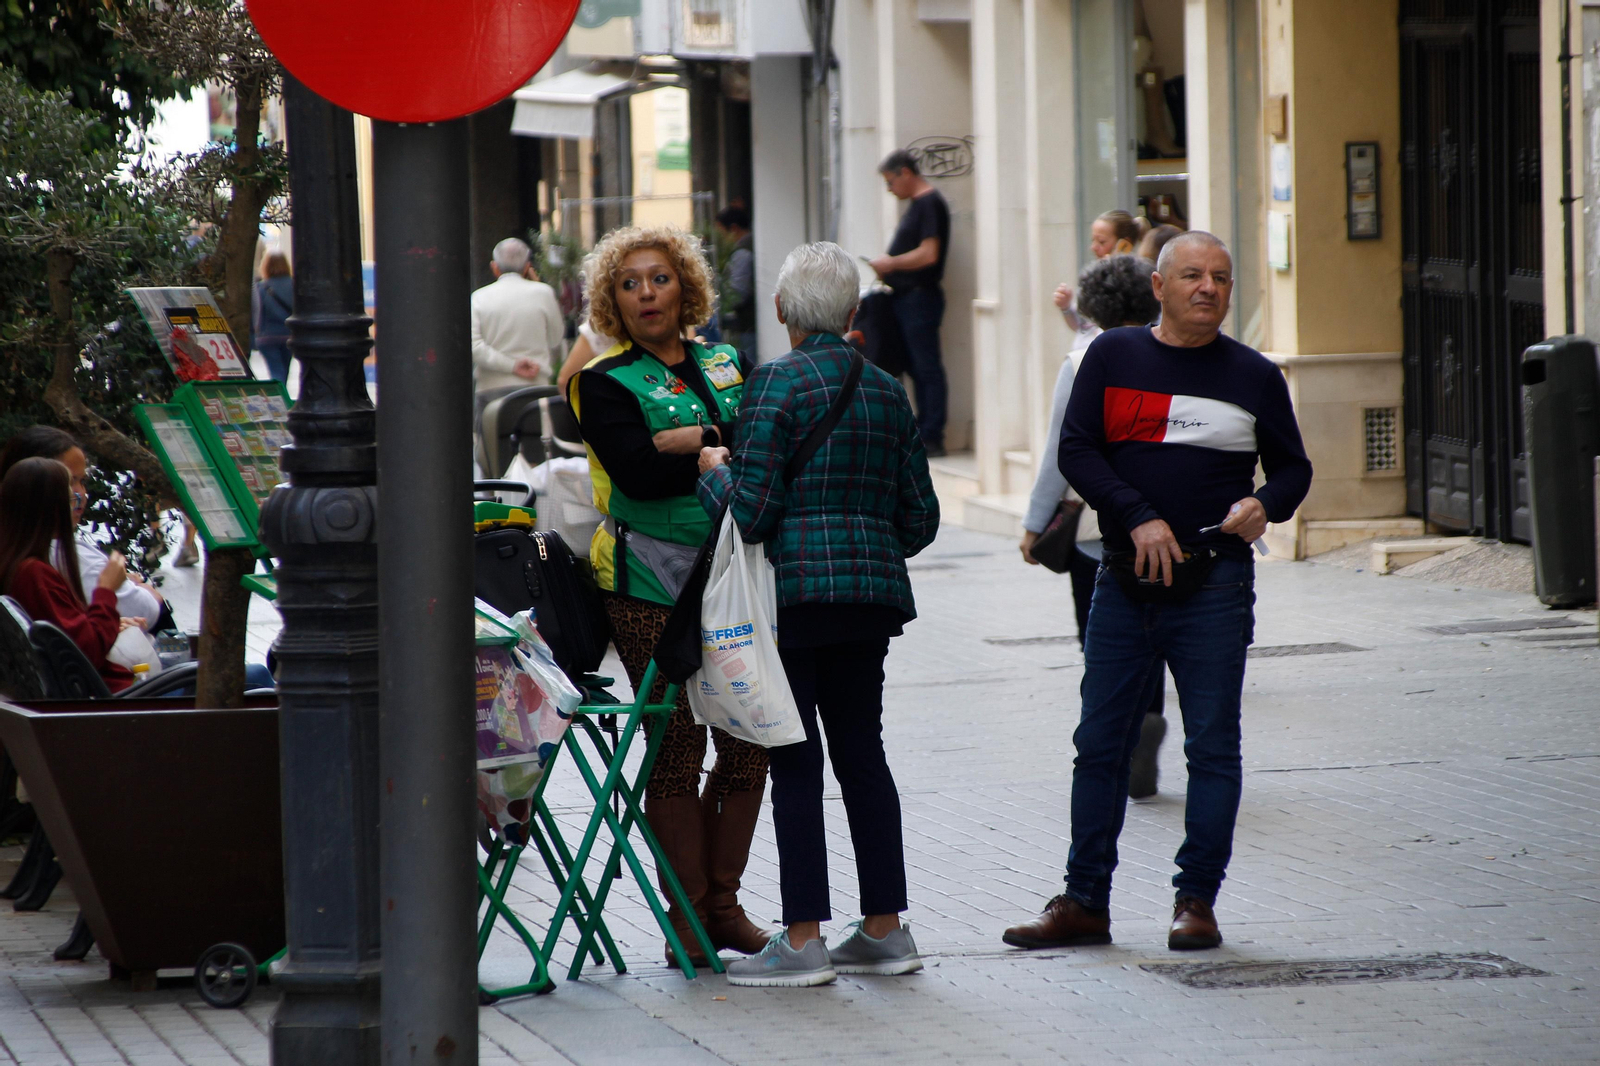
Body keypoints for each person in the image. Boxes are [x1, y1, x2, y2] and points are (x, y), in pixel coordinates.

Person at [1003, 231, 1312, 954]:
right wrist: (1138, 516)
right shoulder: (1112, 357)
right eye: (1194, 276)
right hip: (1123, 582)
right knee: (1099, 744)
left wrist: (1266, 503)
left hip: (1217, 582)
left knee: (1214, 748)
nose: (1209, 288)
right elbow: (1076, 447)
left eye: (1223, 279)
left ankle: (1196, 901)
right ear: (1159, 287)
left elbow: (1294, 470)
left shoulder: (1255, 375)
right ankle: (1084, 903)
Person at [700, 242, 940, 988]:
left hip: (794, 600)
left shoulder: (773, 384)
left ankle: (803, 939)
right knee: (862, 755)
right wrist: (864, 539)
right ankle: (885, 928)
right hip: (868, 602)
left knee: (796, 759)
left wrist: (715, 476)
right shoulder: (883, 390)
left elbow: (758, 512)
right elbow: (921, 519)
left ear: (780, 310)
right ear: (853, 311)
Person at [568, 224, 771, 963]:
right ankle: (685, 918)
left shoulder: (725, 360)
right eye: (630, 283)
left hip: (735, 578)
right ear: (612, 302)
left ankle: (725, 905)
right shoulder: (602, 380)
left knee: (750, 741)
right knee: (677, 746)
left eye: (659, 278)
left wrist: (685, 439)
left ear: (685, 285)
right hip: (646, 583)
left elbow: (761, 444)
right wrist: (695, 446)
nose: (647, 292)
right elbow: (636, 475)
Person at [1022, 256, 1174, 794]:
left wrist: (1035, 522)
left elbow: (1059, 450)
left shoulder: (1083, 357)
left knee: (1101, 640)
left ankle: (1117, 739)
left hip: (1096, 529)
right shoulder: (1172, 353)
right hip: (1163, 521)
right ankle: (1148, 722)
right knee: (1154, 632)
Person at [0, 426, 167, 630]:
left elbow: (73, 634)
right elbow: (83, 645)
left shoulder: (19, 548)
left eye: (82, 481)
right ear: (35, 490)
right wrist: (108, 591)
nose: (80, 495)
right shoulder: (39, 565)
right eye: (69, 483)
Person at [0, 457, 137, 693]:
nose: (76, 505)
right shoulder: (33, 573)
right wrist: (106, 591)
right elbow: (86, 654)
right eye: (71, 499)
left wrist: (99, 618)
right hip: (109, 702)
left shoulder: (16, 563)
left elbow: (71, 633)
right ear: (53, 508)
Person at [869, 150, 951, 457]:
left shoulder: (929, 203)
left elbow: (929, 253)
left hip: (919, 296)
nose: (890, 189)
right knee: (916, 366)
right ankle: (923, 427)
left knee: (926, 365)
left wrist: (891, 263)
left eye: (891, 181)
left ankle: (932, 432)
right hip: (906, 298)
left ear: (905, 172)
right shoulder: (919, 206)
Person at [471, 237, 566, 397]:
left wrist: (512, 365)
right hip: (535, 387)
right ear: (527, 267)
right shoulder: (544, 293)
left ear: (494, 267)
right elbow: (555, 339)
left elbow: (474, 347)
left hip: (491, 388)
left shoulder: (478, 297)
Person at [1054, 210, 1148, 356]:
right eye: (1093, 241)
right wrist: (1066, 307)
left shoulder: (1137, 281)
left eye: (1102, 242)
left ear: (1124, 245)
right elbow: (1083, 326)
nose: (1094, 247)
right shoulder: (1094, 278)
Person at [714, 205, 756, 358]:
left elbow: (737, 292)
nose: (721, 239)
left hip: (748, 326)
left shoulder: (742, 252)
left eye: (721, 233)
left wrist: (720, 305)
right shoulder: (754, 243)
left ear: (733, 229)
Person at [253, 251, 294, 384]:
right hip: (289, 335)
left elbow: (256, 312)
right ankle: (283, 396)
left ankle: (280, 399)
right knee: (285, 369)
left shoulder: (261, 287)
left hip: (267, 336)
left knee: (276, 370)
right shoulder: (294, 285)